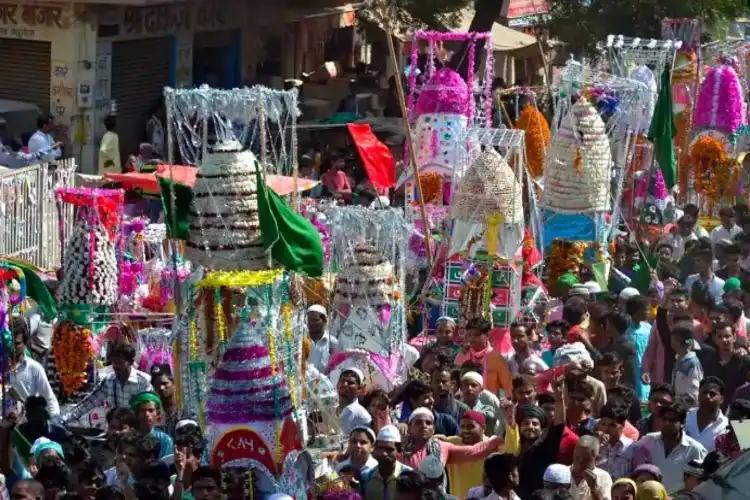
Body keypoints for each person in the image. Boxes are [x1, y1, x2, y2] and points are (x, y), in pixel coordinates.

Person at [63, 342, 152, 423]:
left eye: (120, 362)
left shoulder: (143, 382)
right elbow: (89, 402)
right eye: (113, 362)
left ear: (131, 362)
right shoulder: (110, 380)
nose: (116, 366)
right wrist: (64, 419)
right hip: (116, 431)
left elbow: (148, 411)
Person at [632, 401, 707, 492]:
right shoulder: (648, 440)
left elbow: (701, 485)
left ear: (682, 423)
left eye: (672, 420)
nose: (667, 423)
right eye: (664, 419)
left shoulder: (695, 449)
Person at [400, 407, 503, 470]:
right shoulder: (399, 447)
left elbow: (474, 451)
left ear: (434, 428)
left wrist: (498, 439)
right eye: (418, 422)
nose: (424, 426)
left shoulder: (442, 447)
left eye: (428, 423)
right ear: (409, 427)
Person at [515, 379, 567, 499]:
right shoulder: (514, 446)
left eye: (535, 424)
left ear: (541, 428)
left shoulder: (546, 446)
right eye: (526, 423)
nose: (530, 427)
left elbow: (559, 425)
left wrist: (559, 398)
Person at [7, 318, 59, 416]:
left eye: (17, 343)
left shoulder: (34, 369)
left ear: (25, 343)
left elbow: (50, 399)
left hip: (24, 427)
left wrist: (55, 421)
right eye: (10, 342)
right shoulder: (2, 369)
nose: (12, 347)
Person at [455, 318, 512, 398]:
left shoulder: (497, 358)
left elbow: (508, 388)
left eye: (475, 335)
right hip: (464, 405)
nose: (471, 339)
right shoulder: (462, 355)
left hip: (489, 407)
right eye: (469, 335)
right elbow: (455, 382)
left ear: (487, 334)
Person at [699, 322, 748, 411]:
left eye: (727, 336)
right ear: (714, 339)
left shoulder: (745, 361)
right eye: (720, 337)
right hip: (716, 412)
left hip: (740, 412)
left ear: (734, 337)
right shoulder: (709, 362)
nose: (724, 340)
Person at [11, 396, 68, 470]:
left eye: (37, 413)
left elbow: (66, 460)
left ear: (44, 414)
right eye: (29, 413)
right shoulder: (19, 433)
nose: (30, 416)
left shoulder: (58, 432)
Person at [361, 425, 412, 500]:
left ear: (399, 450)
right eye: (380, 448)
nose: (383, 453)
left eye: (389, 449)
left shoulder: (408, 475)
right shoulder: (366, 476)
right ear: (374, 448)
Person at [684, 377, 729, 452]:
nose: (707, 396)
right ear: (698, 396)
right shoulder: (685, 418)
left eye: (712, 394)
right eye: (704, 393)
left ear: (721, 399)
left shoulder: (726, 427)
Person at [624, 296, 652, 402]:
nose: (648, 312)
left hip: (647, 370)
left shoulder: (648, 327)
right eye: (646, 309)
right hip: (633, 370)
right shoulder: (626, 331)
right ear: (637, 311)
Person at [129, 392, 173, 459]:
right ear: (137, 414)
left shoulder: (165, 440)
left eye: (151, 410)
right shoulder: (129, 439)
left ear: (157, 414)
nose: (147, 414)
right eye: (142, 410)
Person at [568, 435, 613, 500]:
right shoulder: (561, 474)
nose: (580, 464)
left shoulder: (603, 477)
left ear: (597, 459)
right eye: (577, 458)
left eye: (585, 460)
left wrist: (594, 489)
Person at [596, 403, 634, 480]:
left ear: (622, 425)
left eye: (612, 425)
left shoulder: (632, 448)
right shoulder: (595, 445)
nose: (606, 429)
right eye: (603, 424)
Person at [670, 321, 703, 405]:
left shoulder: (692, 363)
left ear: (678, 341)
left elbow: (694, 394)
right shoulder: (678, 360)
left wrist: (675, 402)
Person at [149, 364, 181, 436]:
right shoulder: (154, 414)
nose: (161, 388)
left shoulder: (182, 410)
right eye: (156, 385)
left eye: (164, 383)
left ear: (173, 384)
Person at [338, 368, 372, 434]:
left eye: (350, 383)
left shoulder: (362, 416)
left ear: (359, 389)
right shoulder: (327, 406)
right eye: (342, 380)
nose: (344, 385)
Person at [307, 304, 337, 373]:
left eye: (315, 320)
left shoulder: (332, 342)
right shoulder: (302, 340)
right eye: (309, 320)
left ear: (324, 321)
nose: (311, 323)